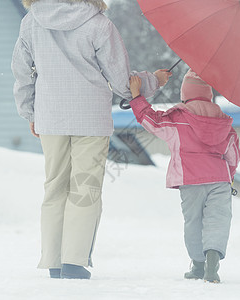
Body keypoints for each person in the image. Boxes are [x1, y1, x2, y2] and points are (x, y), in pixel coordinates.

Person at [11, 0, 171, 280]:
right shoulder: (99, 24)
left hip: (50, 116)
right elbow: (122, 82)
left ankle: (53, 260)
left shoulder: (31, 22)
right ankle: (73, 261)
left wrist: (29, 111)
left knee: (55, 187)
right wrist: (152, 81)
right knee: (84, 187)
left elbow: (22, 71)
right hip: (90, 118)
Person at [128, 69, 240, 283]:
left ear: (185, 94)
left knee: (193, 222)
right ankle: (212, 261)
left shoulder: (177, 118)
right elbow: (233, 155)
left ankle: (198, 266)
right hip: (220, 180)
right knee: (218, 220)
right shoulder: (224, 121)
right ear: (208, 95)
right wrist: (230, 176)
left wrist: (137, 97)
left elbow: (151, 121)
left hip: (190, 180)